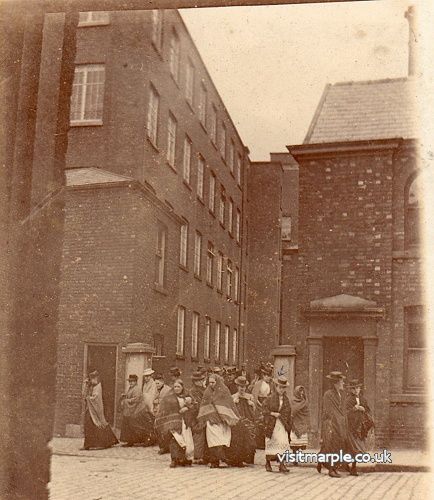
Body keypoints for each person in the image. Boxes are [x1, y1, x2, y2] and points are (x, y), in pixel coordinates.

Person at [197, 373, 240, 468]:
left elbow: (228, 404)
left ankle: (222, 460)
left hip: (223, 421)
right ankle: (214, 461)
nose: (211, 384)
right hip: (211, 420)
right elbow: (204, 405)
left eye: (213, 382)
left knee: (222, 440)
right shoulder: (207, 392)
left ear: (217, 382)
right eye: (210, 382)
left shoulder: (224, 390)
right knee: (213, 441)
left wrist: (224, 415)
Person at [155, 379, 195, 468]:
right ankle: (174, 459)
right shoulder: (169, 396)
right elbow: (163, 409)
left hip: (185, 421)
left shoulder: (187, 395)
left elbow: (194, 405)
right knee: (175, 439)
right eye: (175, 387)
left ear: (182, 387)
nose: (176, 389)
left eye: (178, 387)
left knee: (185, 440)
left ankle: (184, 459)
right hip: (173, 422)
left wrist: (187, 408)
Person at [317, 371, 347, 478]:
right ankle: (331, 469)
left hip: (339, 423)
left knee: (334, 445)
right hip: (331, 423)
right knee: (332, 446)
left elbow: (341, 409)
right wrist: (337, 420)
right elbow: (329, 411)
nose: (343, 383)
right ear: (336, 383)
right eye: (341, 381)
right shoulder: (328, 394)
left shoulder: (341, 394)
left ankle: (321, 459)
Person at [81, 370, 118, 450]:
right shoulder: (92, 386)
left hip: (95, 409)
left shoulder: (98, 387)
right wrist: (85, 385)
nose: (92, 381)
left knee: (96, 423)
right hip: (91, 409)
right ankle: (90, 444)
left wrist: (88, 398)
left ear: (97, 379)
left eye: (93, 379)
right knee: (93, 425)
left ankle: (108, 441)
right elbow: (84, 394)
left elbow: (96, 398)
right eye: (91, 379)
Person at [262, 376, 291, 473]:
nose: (282, 390)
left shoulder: (286, 399)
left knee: (282, 441)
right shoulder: (270, 398)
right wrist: (273, 414)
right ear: (276, 386)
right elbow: (264, 410)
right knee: (271, 441)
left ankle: (282, 464)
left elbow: (288, 410)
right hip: (271, 423)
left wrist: (284, 418)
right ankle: (268, 463)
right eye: (280, 387)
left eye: (283, 388)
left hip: (281, 423)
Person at [226, 376, 257, 466]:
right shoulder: (233, 397)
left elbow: (254, 411)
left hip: (248, 421)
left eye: (243, 387)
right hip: (237, 421)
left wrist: (252, 405)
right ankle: (236, 460)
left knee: (248, 439)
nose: (242, 388)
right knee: (237, 440)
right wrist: (234, 404)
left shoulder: (250, 397)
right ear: (237, 386)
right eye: (240, 386)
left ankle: (247, 459)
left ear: (246, 387)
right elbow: (230, 410)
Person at [345, 379, 374, 476]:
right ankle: (352, 467)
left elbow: (368, 410)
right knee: (354, 448)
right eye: (354, 388)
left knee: (359, 448)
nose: (356, 390)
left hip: (360, 427)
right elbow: (345, 413)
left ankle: (353, 466)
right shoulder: (348, 400)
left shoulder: (363, 399)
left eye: (358, 388)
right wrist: (354, 409)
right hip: (351, 427)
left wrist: (363, 409)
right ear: (351, 390)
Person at [119, 374, 155, 447]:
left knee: (137, 424)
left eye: (133, 381)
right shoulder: (130, 388)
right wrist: (125, 396)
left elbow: (136, 399)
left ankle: (146, 439)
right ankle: (130, 440)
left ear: (136, 382)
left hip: (139, 409)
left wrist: (126, 400)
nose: (131, 383)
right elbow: (130, 397)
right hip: (132, 409)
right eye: (130, 381)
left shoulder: (137, 389)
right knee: (128, 423)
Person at [252, 365, 273, 449]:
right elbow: (254, 395)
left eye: (269, 376)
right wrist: (260, 404)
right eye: (266, 376)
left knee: (267, 423)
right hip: (259, 404)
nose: (268, 378)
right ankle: (259, 443)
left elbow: (272, 394)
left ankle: (265, 443)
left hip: (267, 405)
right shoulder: (258, 384)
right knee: (259, 423)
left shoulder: (271, 384)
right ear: (264, 376)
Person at [190, 370, 208, 464]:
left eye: (202, 380)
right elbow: (197, 404)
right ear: (195, 382)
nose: (201, 382)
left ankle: (203, 455)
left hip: (204, 414)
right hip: (196, 416)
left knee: (204, 435)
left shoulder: (203, 389)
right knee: (198, 435)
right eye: (199, 380)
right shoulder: (193, 391)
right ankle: (197, 457)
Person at [289, 385, 310, 464]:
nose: (301, 393)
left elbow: (307, 412)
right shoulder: (293, 401)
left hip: (302, 423)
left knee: (300, 443)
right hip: (295, 423)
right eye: (300, 391)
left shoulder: (305, 401)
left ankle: (298, 458)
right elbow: (292, 410)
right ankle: (294, 458)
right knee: (295, 444)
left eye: (302, 391)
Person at [153, 373, 172, 454]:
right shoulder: (156, 390)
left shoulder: (167, 390)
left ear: (162, 382)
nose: (156, 385)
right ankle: (162, 446)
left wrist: (159, 402)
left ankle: (165, 447)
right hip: (158, 412)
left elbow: (169, 401)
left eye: (158, 383)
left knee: (165, 430)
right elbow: (154, 399)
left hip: (166, 413)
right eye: (155, 383)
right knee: (158, 429)